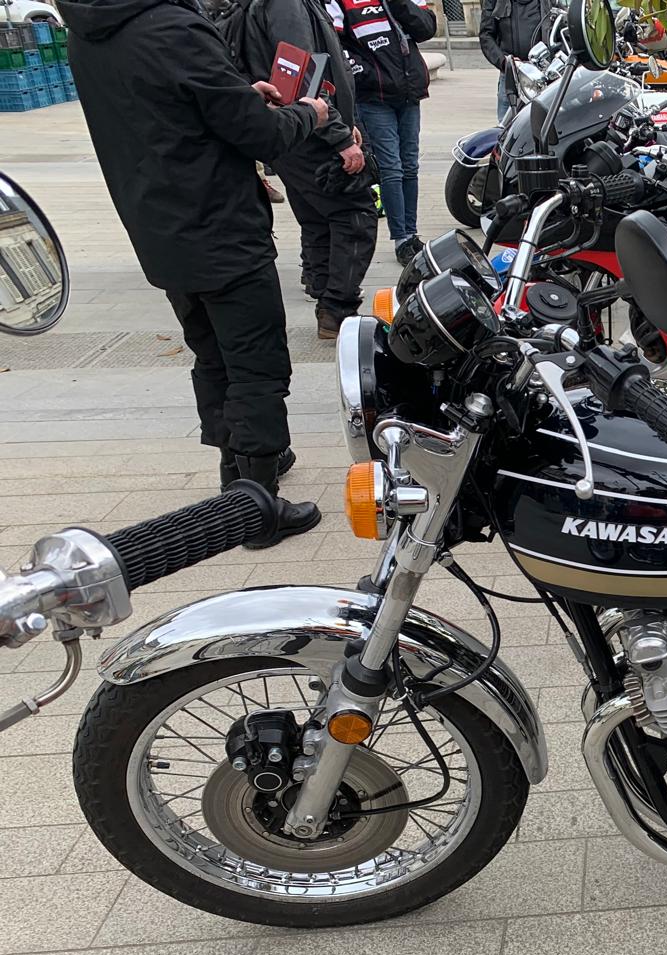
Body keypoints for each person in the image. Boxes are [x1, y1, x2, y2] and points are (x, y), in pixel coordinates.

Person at [61, 0, 328, 547]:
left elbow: (165, 108)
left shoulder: (89, 29)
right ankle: (256, 508)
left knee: (213, 357)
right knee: (255, 366)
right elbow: (262, 136)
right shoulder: (175, 27)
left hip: (159, 227)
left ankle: (240, 470)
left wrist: (239, 96)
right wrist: (310, 113)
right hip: (221, 227)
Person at [239, 0, 380, 338]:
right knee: (355, 214)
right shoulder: (286, 4)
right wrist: (337, 134)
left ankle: (326, 301)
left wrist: (344, 122)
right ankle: (336, 308)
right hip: (306, 130)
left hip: (300, 128)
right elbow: (300, 74)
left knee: (319, 217)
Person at [333, 0, 436, 263]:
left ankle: (411, 233)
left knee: (410, 166)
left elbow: (426, 29)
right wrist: (365, 73)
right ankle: (401, 239)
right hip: (374, 97)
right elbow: (334, 43)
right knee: (392, 168)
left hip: (409, 92)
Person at [479, 0, 553, 120]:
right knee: (505, 126)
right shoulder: (495, 2)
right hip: (511, 75)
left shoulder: (548, 2)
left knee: (545, 124)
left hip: (542, 75)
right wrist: (504, 62)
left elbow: (562, 26)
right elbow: (486, 35)